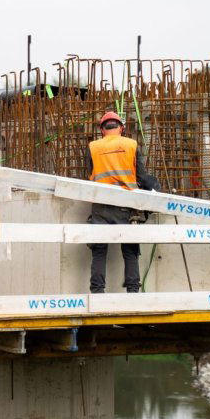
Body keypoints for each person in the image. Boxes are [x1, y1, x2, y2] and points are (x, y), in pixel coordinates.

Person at [85, 111, 160, 294]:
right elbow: (141, 177)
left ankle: (97, 294)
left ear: (102, 129)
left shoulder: (93, 146)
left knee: (99, 251)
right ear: (121, 128)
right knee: (130, 251)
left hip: (100, 205)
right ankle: (133, 293)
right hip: (127, 205)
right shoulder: (131, 144)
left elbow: (89, 177)